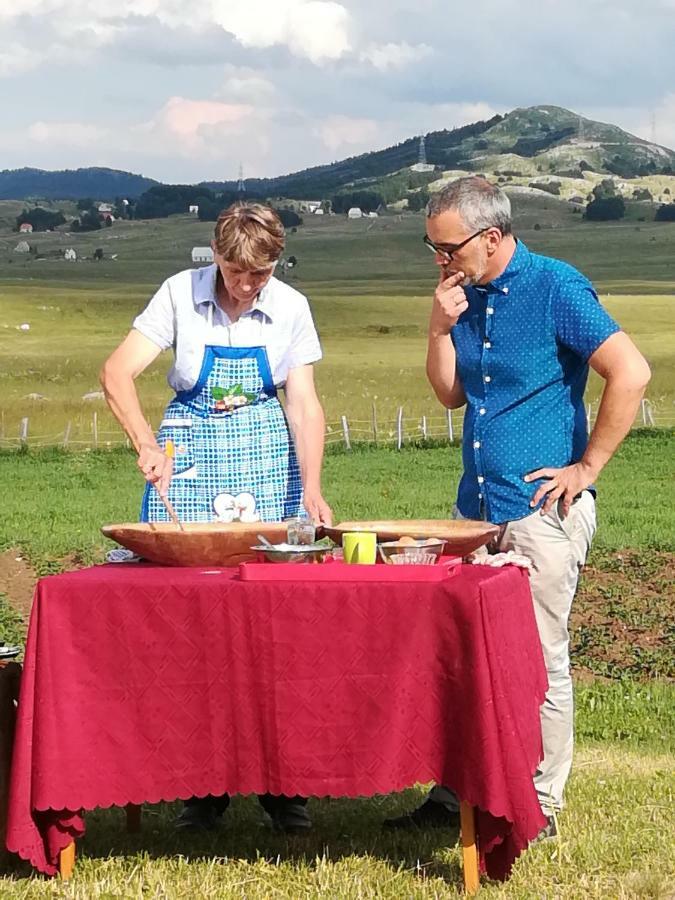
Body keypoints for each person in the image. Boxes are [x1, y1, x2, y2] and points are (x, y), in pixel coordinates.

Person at [384, 177, 651, 837]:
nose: (439, 260)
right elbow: (450, 395)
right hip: (473, 510)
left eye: (447, 248)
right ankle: (458, 793)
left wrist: (585, 467)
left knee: (538, 655)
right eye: (431, 249)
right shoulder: (461, 299)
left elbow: (632, 371)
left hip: (538, 513)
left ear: (493, 237)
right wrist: (438, 327)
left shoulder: (556, 287)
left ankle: (539, 806)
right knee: (462, 652)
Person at [100, 201, 332, 833]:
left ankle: (282, 784)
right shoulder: (178, 294)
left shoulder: (292, 308)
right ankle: (203, 786)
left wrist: (311, 485)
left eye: (259, 274)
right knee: (195, 625)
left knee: (273, 623)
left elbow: (304, 403)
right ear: (216, 255)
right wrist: (148, 445)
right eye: (235, 271)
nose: (246, 285)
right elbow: (117, 372)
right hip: (193, 462)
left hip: (266, 460)